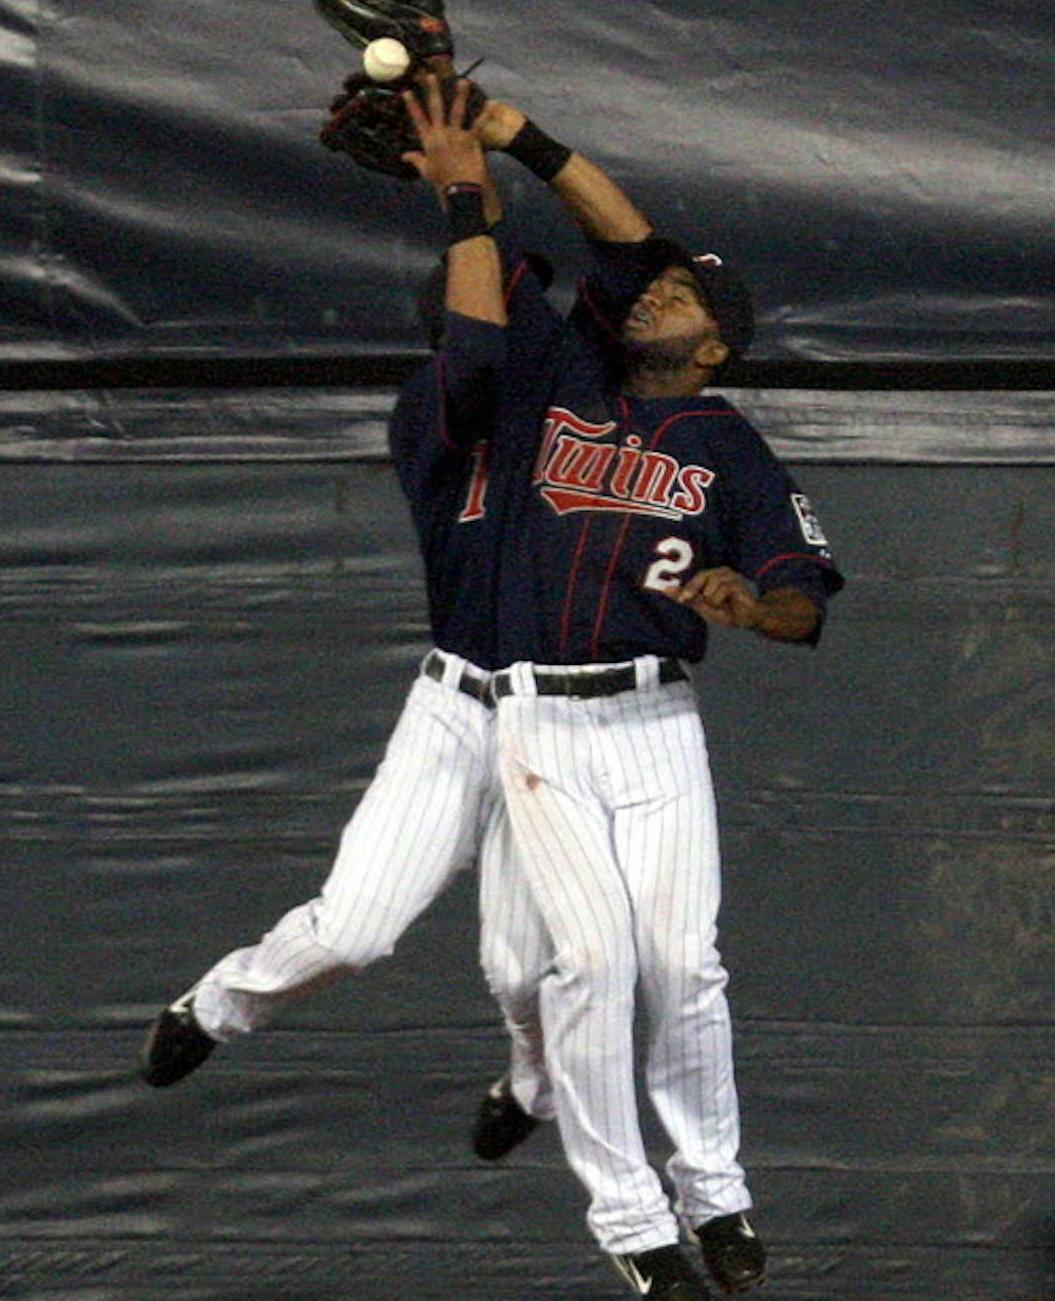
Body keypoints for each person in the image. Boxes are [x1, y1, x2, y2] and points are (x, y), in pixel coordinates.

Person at [137, 94, 673, 1169]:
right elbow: (478, 351)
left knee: (530, 971)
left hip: (559, 719)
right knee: (353, 930)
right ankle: (217, 1005)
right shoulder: (433, 407)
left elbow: (638, 245)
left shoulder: (579, 373)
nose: (537, 315)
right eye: (520, 300)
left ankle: (530, 1084)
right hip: (459, 706)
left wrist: (522, 139)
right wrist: (463, 197)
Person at [406, 75, 844, 1301]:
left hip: (655, 720)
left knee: (682, 965)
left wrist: (754, 608)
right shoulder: (561, 374)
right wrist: (506, 149)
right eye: (654, 284)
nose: (657, 290)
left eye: (686, 294)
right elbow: (619, 238)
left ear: (714, 344)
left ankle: (716, 1192)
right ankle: (633, 1220)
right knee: (592, 961)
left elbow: (804, 599)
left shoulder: (731, 446)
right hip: (536, 717)